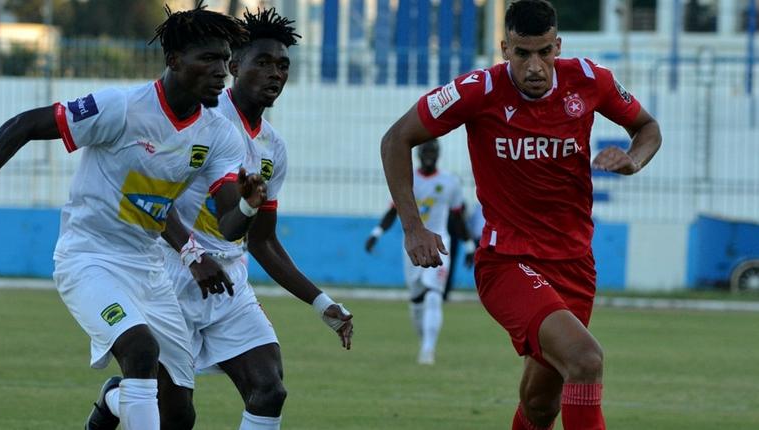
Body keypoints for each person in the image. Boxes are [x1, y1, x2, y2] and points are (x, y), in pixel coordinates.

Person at [0, 4, 265, 430]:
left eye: (224, 59)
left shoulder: (218, 134)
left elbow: (228, 225)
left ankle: (112, 401)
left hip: (149, 272)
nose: (222, 70)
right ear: (174, 60)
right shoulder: (120, 108)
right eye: (209, 58)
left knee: (177, 413)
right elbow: (22, 125)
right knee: (140, 349)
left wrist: (247, 207)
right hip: (88, 259)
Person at [380, 1, 661, 429]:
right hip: (508, 261)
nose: (535, 66)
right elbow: (396, 139)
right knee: (585, 359)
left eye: (545, 52)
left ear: (558, 46)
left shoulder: (590, 81)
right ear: (504, 47)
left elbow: (648, 128)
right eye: (522, 53)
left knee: (540, 403)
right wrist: (413, 227)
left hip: (575, 263)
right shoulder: (478, 91)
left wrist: (633, 160)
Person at [153, 8, 352, 430]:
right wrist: (191, 254)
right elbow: (152, 200)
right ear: (235, 65)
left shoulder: (273, 149)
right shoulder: (202, 119)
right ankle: (116, 398)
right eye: (262, 62)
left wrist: (321, 302)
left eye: (282, 65)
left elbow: (262, 240)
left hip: (227, 279)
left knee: (269, 389)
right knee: (175, 415)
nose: (275, 73)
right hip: (169, 273)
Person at [365, 139, 474, 365]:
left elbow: (457, 217)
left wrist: (469, 245)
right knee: (416, 299)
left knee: (434, 294)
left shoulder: (450, 182)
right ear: (418, 155)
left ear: (438, 154)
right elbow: (393, 211)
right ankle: (425, 340)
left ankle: (428, 350)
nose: (429, 156)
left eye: (433, 152)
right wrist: (376, 233)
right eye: (426, 151)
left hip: (439, 244)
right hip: (413, 245)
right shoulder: (408, 180)